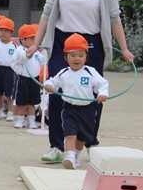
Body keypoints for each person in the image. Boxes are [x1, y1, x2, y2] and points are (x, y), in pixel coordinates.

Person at [29, 0, 134, 164]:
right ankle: (56, 146)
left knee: (93, 93)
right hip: (62, 42)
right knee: (57, 90)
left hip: (91, 43)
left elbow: (114, 18)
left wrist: (124, 48)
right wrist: (36, 44)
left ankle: (88, 142)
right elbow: (47, 13)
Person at [43, 33, 108, 170]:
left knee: (82, 136)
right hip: (69, 109)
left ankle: (76, 155)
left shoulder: (90, 72)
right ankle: (70, 157)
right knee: (70, 133)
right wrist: (49, 86)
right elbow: (53, 82)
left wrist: (102, 94)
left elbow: (102, 84)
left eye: (80, 55)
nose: (76, 58)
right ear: (66, 57)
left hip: (87, 110)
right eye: (72, 55)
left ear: (86, 57)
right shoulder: (63, 73)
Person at [11, 24, 43, 129]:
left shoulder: (37, 51)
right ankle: (20, 120)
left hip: (34, 79)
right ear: (23, 40)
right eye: (31, 38)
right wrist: (27, 54)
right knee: (22, 101)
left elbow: (42, 61)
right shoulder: (19, 50)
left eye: (35, 38)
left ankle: (31, 121)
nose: (34, 41)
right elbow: (19, 59)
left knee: (32, 102)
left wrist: (44, 52)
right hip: (23, 79)